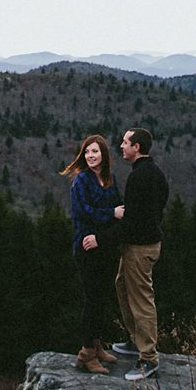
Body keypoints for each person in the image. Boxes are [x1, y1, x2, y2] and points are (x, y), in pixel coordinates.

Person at [60, 133, 121, 374]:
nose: (91, 156)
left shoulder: (109, 179)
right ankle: (86, 352)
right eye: (87, 152)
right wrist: (111, 214)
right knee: (92, 297)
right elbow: (83, 211)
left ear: (104, 154)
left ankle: (96, 345)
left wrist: (114, 219)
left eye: (95, 151)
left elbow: (120, 207)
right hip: (86, 246)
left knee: (102, 296)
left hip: (104, 246)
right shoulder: (82, 180)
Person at [111, 126, 168, 381]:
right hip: (144, 242)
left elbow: (135, 219)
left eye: (125, 142)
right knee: (122, 285)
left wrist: (108, 232)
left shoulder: (139, 177)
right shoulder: (154, 174)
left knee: (141, 299)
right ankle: (136, 341)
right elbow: (155, 208)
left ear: (137, 148)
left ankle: (148, 358)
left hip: (140, 247)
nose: (121, 146)